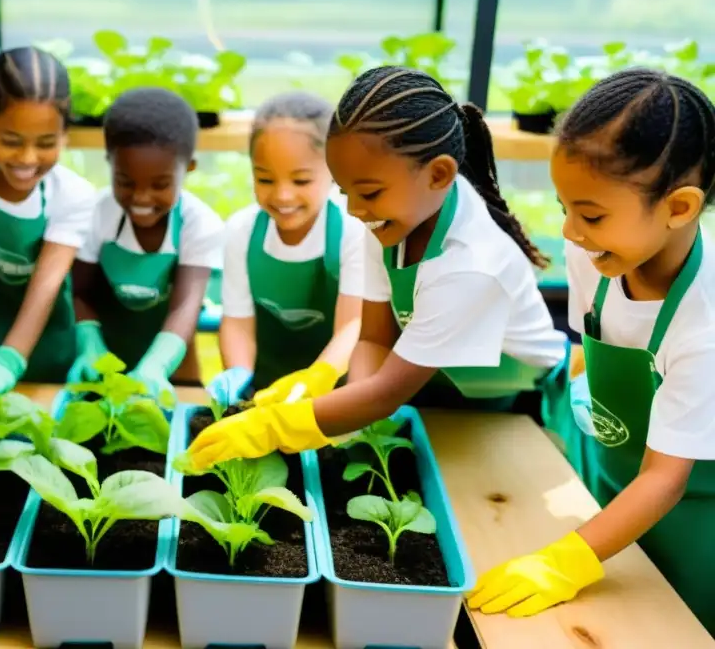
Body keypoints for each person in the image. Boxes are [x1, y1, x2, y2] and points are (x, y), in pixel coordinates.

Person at [184, 66, 570, 470]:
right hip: (428, 392)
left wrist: (277, 425)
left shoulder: (470, 265)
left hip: (504, 409)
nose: (353, 209)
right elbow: (373, 338)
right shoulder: (393, 214)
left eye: (367, 193)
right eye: (344, 191)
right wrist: (343, 400)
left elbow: (385, 393)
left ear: (438, 174)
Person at [468, 69, 715, 634]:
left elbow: (665, 478)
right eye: (565, 207)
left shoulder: (705, 325)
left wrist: (565, 561)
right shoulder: (597, 258)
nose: (571, 232)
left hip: (691, 521)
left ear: (679, 208)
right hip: (608, 490)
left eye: (593, 215)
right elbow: (589, 348)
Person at [0, 46, 96, 393]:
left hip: (46, 347)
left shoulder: (73, 194)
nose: (28, 158)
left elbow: (46, 284)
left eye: (46, 143)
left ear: (65, 136)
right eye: (11, 141)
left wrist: (9, 361)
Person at [206, 92, 366, 407]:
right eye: (265, 179)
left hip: (333, 392)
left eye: (301, 181)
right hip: (263, 390)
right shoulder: (242, 231)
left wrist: (316, 380)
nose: (282, 195)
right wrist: (238, 374)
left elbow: (352, 325)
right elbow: (238, 322)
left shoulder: (352, 231)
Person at [69, 87, 224, 398]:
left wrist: (157, 365)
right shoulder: (96, 214)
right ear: (109, 163)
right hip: (105, 364)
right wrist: (89, 344)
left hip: (174, 364)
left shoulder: (198, 223)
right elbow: (80, 292)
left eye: (160, 184)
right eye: (125, 182)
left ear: (189, 167)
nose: (141, 198)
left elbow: (185, 306)